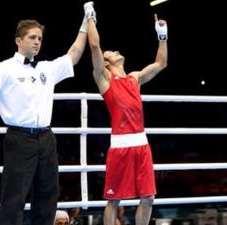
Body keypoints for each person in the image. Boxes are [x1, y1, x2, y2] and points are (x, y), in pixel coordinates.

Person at [0, 3, 95, 225]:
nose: (37, 42)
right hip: (19, 139)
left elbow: (73, 54)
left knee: (47, 196)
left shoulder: (46, 68)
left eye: (40, 38)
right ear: (18, 40)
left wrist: (86, 21)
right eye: (32, 37)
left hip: (46, 138)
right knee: (14, 197)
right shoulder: (3, 69)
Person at [87, 5, 168, 225]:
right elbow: (94, 45)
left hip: (142, 145)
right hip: (120, 148)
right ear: (106, 62)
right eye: (110, 52)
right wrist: (90, 17)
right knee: (114, 199)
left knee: (148, 197)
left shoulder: (134, 78)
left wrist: (162, 35)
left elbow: (161, 63)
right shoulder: (104, 79)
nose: (115, 51)